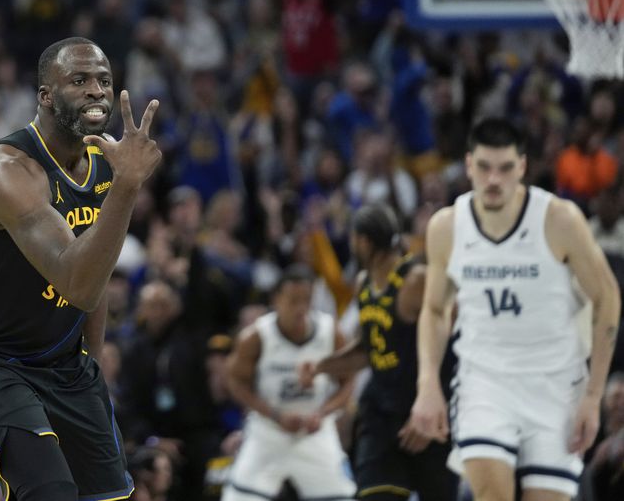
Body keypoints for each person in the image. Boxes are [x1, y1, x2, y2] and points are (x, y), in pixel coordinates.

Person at [0, 37, 161, 501]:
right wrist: (128, 187)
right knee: (48, 490)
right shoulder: (6, 171)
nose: (96, 90)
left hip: (60, 360)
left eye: (104, 80)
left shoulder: (105, 165)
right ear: (45, 96)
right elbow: (76, 283)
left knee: (111, 497)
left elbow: (98, 273)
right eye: (79, 80)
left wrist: (90, 363)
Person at [410, 117, 621, 501]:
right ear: (469, 165)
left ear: (522, 167)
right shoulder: (447, 227)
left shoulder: (559, 220)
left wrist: (593, 395)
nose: (494, 179)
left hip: (556, 385)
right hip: (484, 383)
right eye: (485, 168)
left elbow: (608, 298)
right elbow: (435, 310)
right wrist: (427, 383)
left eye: (506, 168)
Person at [300, 204, 457, 500]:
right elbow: (368, 350)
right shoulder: (364, 284)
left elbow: (451, 345)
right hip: (382, 414)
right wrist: (321, 367)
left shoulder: (415, 281)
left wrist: (432, 409)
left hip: (423, 411)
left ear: (364, 241)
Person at [221, 264, 357, 501]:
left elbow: (348, 381)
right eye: (293, 300)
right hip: (269, 429)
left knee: (343, 497)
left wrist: (324, 413)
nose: (301, 308)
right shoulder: (256, 337)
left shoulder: (330, 332)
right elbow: (236, 382)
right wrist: (275, 415)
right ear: (276, 299)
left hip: (314, 429)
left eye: (307, 300)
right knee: (237, 497)